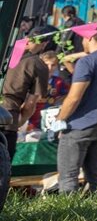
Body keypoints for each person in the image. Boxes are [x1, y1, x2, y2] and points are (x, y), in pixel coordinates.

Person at [55, 24, 97, 194]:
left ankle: (66, 213)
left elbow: (74, 97)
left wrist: (59, 119)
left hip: (78, 125)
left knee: (68, 176)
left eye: (83, 39)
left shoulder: (87, 62)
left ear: (90, 37)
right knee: (96, 175)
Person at [1, 26, 58, 160]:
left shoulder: (5, 51)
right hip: (7, 118)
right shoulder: (38, 65)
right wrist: (21, 122)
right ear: (44, 44)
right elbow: (31, 103)